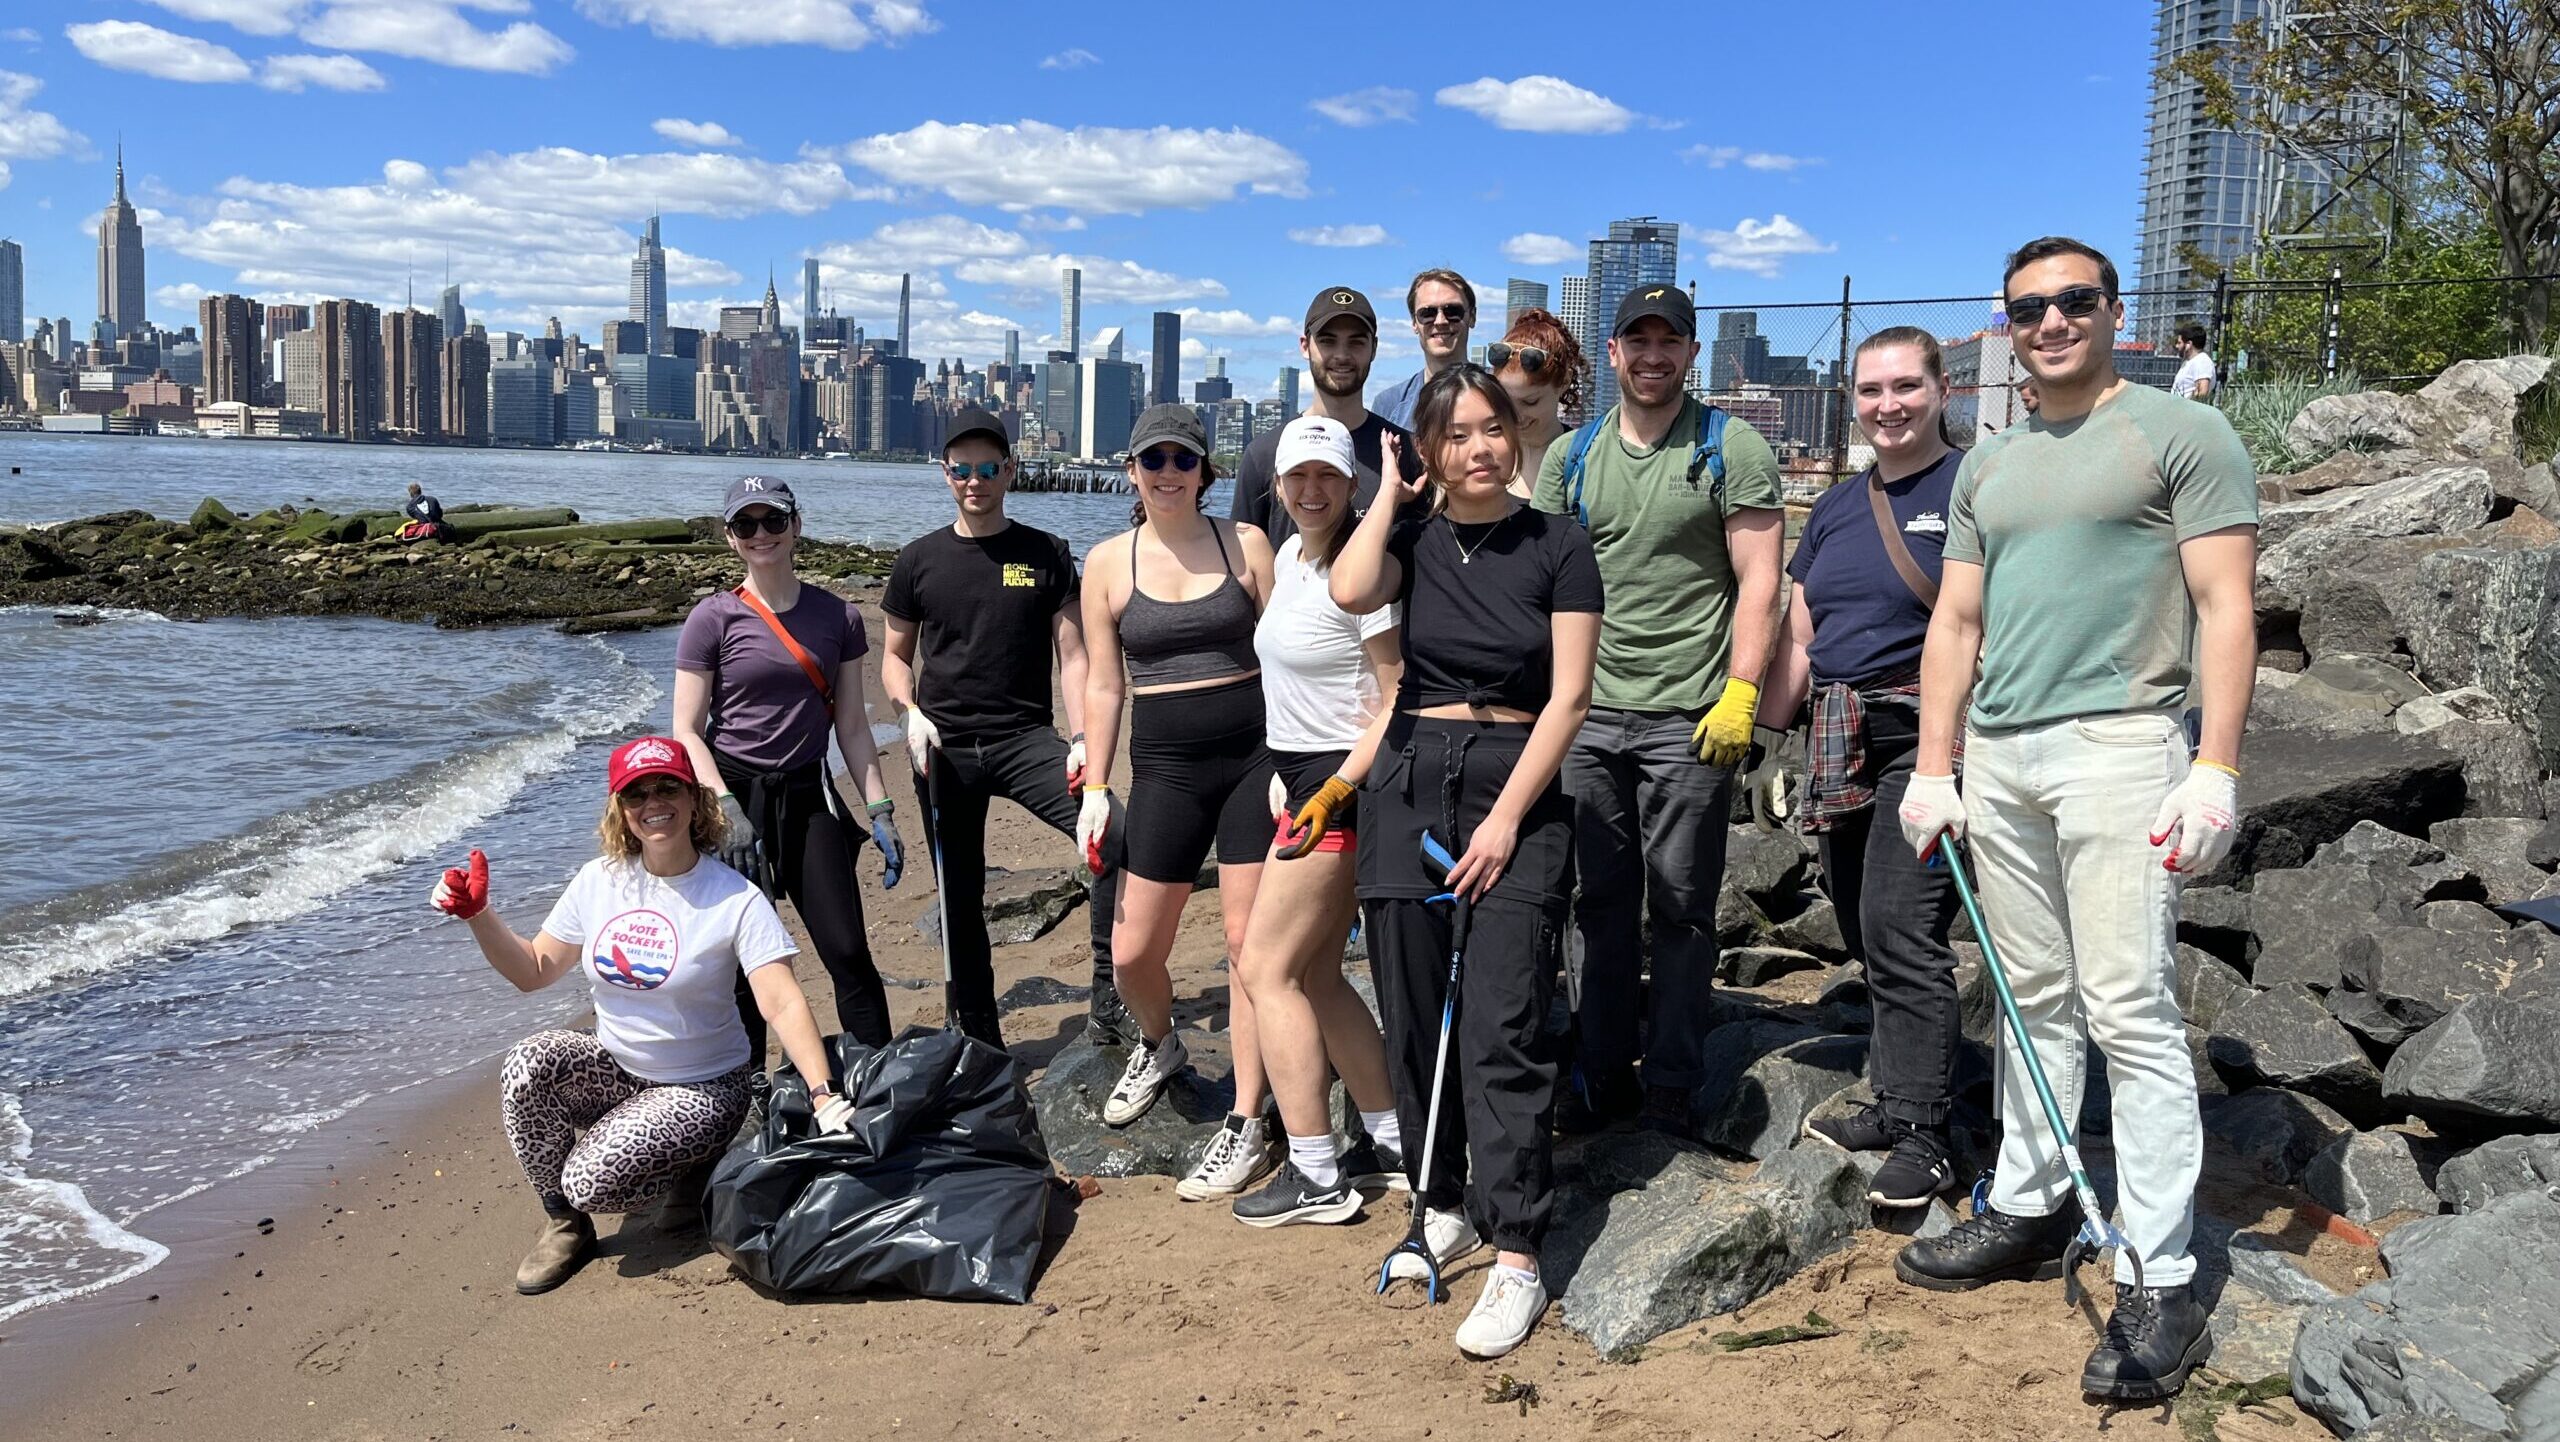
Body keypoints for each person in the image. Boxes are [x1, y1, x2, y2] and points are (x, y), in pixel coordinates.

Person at [1893, 236, 2258, 1403]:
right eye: (2028, 308)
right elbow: (1955, 623)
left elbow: (2224, 604)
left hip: (2118, 743)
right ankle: (2029, 1194)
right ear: (2005, 324)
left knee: (2129, 1007)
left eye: (2073, 301)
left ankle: (2157, 1269)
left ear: (2111, 310)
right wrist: (1933, 765)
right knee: (2029, 991)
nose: (2050, 320)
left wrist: (2213, 765)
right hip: (1997, 755)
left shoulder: (2181, 432)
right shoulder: (1987, 466)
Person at [1332, 365, 1602, 1361]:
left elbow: (1568, 697)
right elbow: (1350, 587)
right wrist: (1392, 498)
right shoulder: (1409, 536)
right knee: (1408, 1003)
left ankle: (1518, 1246)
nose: (1480, 447)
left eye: (1493, 429)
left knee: (1504, 1019)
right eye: (1457, 435)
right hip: (1407, 774)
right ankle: (1440, 1196)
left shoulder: (1559, 544)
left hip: (1513, 781)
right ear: (1430, 448)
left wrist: (1505, 821)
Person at [430, 736, 851, 1295]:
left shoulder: (734, 897)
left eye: (667, 787)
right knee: (526, 1063)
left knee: (589, 1179)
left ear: (694, 799)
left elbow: (782, 1001)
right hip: (620, 1070)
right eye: (637, 793)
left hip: (704, 1087)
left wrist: (824, 1096)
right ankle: (564, 1223)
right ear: (620, 810)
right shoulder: (599, 881)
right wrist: (479, 914)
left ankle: (695, 1164)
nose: (653, 802)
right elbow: (533, 970)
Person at [1531, 283, 1785, 1134]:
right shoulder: (1574, 455)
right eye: (1635, 341)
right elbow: (1542, 583)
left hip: (1689, 716)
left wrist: (1742, 693)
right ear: (1611, 354)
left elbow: (1760, 579)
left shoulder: (1731, 446)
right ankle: (1602, 1071)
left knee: (1681, 907)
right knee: (1594, 904)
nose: (1652, 356)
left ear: (1691, 351)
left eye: (1667, 341)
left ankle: (1673, 1075)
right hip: (1589, 715)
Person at [1760, 327, 1966, 1208]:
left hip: (1926, 737)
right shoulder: (1841, 506)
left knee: (1900, 924)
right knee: (1857, 919)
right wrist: (1764, 733)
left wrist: (1946, 761)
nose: (1889, 405)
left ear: (1942, 389)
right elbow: (1804, 634)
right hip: (1840, 732)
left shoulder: (1973, 487)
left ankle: (1927, 1132)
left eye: (1905, 387)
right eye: (1872, 389)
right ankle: (1895, 1093)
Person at [1078, 404, 1279, 1194]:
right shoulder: (1106, 563)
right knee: (1132, 954)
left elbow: (1290, 652)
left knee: (1245, 947)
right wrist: (1096, 784)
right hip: (1163, 766)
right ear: (1132, 470)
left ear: (1206, 471)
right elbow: (1102, 682)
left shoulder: (1247, 545)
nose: (1168, 472)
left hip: (1252, 761)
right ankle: (1159, 1044)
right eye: (1153, 459)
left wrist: (1295, 765)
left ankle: (1248, 1119)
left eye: (1183, 460)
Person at [882, 407, 1128, 1050]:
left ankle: (1110, 997)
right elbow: (892, 657)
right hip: (944, 751)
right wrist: (909, 713)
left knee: (1114, 834)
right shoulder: (917, 560)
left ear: (1009, 472)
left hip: (1024, 740)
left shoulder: (1045, 554)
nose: (975, 480)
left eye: (988, 468)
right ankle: (980, 1038)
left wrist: (1082, 741)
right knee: (959, 899)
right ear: (945, 475)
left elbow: (1073, 656)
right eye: (962, 469)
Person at [1228, 415, 1407, 1227]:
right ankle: (1393, 1141)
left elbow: (1396, 695)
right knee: (1322, 974)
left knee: (1268, 971)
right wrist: (1281, 765)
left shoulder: (1359, 573)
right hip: (1300, 775)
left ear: (1352, 487)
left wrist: (1333, 787)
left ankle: (1316, 1174)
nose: (1309, 490)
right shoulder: (1295, 558)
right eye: (1297, 477)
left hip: (1343, 785)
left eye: (1326, 478)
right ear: (1277, 485)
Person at [673, 476, 904, 1081]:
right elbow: (687, 732)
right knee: (742, 966)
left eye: (772, 521)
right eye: (745, 525)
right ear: (730, 539)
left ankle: (875, 1079)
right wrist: (724, 811)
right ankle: (743, 1094)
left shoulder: (839, 617)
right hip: (731, 801)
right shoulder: (712, 619)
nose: (760, 535)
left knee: (848, 950)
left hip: (807, 795)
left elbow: (852, 726)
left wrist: (879, 809)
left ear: (796, 527)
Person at [1229, 285, 1424, 549]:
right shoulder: (1263, 455)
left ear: (1374, 348)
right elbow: (1244, 565)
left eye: (1356, 342)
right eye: (1327, 341)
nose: (1342, 355)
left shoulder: (1407, 453)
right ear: (1304, 346)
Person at [1491, 308, 1588, 495]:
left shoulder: (1585, 458)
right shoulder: (1486, 455)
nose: (1516, 415)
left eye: (1530, 401)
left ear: (1564, 382)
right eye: (1505, 400)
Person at [1370, 268, 1475, 431]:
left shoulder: (1501, 392)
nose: (1440, 321)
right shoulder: (1389, 406)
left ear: (1472, 316)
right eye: (1427, 313)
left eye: (1453, 311)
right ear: (1414, 323)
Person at [2171, 322, 2216, 401]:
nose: (2177, 346)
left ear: (2189, 344)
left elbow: (2202, 393)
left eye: (2179, 343)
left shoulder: (2202, 361)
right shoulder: (2189, 362)